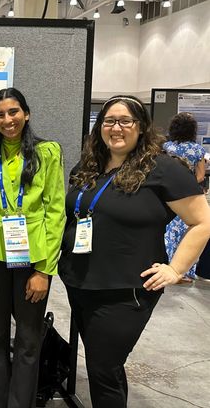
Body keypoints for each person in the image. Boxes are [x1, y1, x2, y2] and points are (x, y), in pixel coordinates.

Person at [58, 95, 210, 408]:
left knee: (103, 367)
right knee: (105, 367)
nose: (116, 127)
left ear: (140, 127)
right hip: (81, 283)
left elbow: (202, 222)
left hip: (126, 290)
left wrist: (176, 269)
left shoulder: (164, 168)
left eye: (125, 121)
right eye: (109, 121)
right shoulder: (89, 166)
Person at [0, 87, 66, 408]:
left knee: (28, 339)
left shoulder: (47, 153)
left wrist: (44, 270)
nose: (7, 119)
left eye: (13, 112)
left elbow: (55, 212)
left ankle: (20, 403)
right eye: (0, 114)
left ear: (26, 114)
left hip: (33, 261)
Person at [163, 112, 207, 282]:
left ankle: (167, 265)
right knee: (189, 231)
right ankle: (185, 271)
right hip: (188, 196)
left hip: (167, 195)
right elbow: (201, 175)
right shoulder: (198, 149)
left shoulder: (166, 147)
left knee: (168, 232)